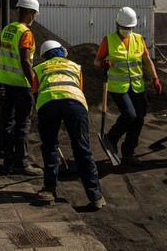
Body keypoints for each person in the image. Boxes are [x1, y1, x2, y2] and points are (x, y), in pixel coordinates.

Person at [33, 40, 105, 210]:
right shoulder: (75, 66)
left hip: (48, 103)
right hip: (75, 103)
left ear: (44, 56)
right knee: (82, 148)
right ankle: (95, 196)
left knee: (49, 146)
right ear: (61, 51)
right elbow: (78, 88)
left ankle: (49, 190)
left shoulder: (39, 69)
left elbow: (36, 94)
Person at [93, 7, 163, 166]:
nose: (127, 30)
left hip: (137, 85)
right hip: (118, 86)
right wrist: (103, 63)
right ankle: (111, 138)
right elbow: (97, 61)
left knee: (139, 118)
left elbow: (147, 60)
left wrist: (155, 78)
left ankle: (128, 153)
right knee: (130, 115)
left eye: (130, 27)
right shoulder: (108, 40)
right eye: (124, 27)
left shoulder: (138, 39)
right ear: (118, 25)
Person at [0, 0, 43, 175]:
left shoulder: (8, 29)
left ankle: (8, 159)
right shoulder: (26, 33)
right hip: (21, 85)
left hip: (6, 82)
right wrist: (34, 84)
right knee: (22, 123)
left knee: (7, 121)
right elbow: (25, 61)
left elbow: (0, 54)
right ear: (30, 13)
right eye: (34, 14)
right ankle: (21, 163)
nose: (34, 17)